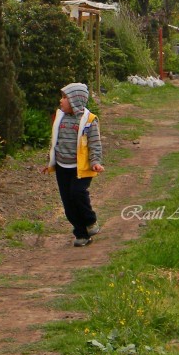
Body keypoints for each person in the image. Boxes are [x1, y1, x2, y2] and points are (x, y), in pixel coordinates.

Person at [41, 82, 105, 247]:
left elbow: (95, 144)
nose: (61, 101)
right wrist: (50, 162)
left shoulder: (89, 120)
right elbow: (55, 142)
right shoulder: (59, 118)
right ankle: (81, 234)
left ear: (75, 101)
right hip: (63, 167)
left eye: (64, 98)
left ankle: (90, 221)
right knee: (68, 204)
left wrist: (96, 162)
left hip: (82, 168)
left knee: (78, 193)